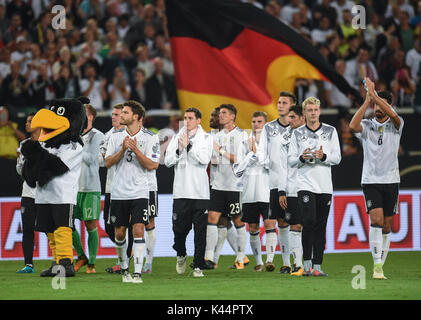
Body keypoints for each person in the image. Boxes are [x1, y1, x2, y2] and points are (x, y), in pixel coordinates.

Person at [349, 77, 404, 280]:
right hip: (371, 180)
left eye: (380, 104)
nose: (377, 108)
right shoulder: (367, 124)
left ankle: (382, 261)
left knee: (387, 225)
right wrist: (367, 100)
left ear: (388, 105)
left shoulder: (397, 124)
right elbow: (352, 127)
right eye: (375, 104)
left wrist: (375, 95)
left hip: (391, 180)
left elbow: (393, 115)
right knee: (377, 220)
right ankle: (377, 266)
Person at [105, 100, 159, 284]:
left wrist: (136, 150)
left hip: (140, 191)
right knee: (119, 233)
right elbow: (107, 162)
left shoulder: (151, 137)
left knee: (138, 229)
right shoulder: (115, 137)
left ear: (136, 116)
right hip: (119, 192)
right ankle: (124, 268)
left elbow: (152, 165)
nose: (121, 116)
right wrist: (122, 149)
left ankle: (137, 273)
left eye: (125, 113)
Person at [288, 97, 341, 277]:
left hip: (325, 186)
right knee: (308, 221)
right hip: (305, 184)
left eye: (315, 110)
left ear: (319, 111)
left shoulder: (330, 131)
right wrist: (302, 158)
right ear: (304, 113)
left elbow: (337, 158)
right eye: (309, 110)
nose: (312, 113)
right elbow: (291, 160)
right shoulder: (296, 133)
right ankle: (307, 263)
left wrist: (324, 156)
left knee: (321, 225)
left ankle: (317, 266)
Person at [164, 107, 213, 277]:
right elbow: (168, 161)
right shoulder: (177, 137)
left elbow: (204, 160)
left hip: (200, 193)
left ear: (199, 120)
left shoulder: (206, 138)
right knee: (179, 231)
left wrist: (189, 146)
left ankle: (198, 266)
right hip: (181, 192)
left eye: (191, 118)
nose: (187, 121)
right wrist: (178, 149)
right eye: (185, 118)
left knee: (200, 232)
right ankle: (181, 254)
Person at [203, 104, 249, 270]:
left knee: (237, 220)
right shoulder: (216, 136)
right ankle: (208, 257)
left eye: (224, 113)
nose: (220, 116)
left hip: (235, 185)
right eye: (220, 113)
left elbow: (240, 159)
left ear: (232, 117)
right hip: (218, 185)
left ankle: (241, 257)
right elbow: (213, 159)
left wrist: (221, 151)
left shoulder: (242, 135)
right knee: (212, 219)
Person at [259, 91, 297, 273]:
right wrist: (272, 165)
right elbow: (261, 154)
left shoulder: (298, 129)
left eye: (284, 102)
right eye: (279, 102)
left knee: (297, 223)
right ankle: (286, 263)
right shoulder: (268, 128)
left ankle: (300, 261)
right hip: (275, 182)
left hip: (296, 183)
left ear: (292, 106)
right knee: (281, 222)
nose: (280, 105)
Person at [233, 111, 270, 272]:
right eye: (254, 121)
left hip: (267, 190)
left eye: (260, 121)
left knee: (270, 224)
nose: (256, 124)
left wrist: (257, 155)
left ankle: (269, 260)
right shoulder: (243, 143)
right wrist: (251, 155)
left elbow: (271, 165)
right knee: (253, 227)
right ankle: (259, 262)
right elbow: (237, 170)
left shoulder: (271, 143)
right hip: (248, 192)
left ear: (266, 123)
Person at [72, 104, 105, 274]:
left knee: (90, 224)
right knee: (67, 223)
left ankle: (91, 263)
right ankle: (81, 256)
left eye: (84, 113)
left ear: (91, 117)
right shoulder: (73, 135)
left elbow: (95, 160)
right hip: (72, 187)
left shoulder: (97, 136)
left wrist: (77, 149)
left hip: (90, 186)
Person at [101, 104, 132, 274]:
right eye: (112, 114)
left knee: (126, 225)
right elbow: (103, 161)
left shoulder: (131, 134)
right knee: (109, 226)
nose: (113, 117)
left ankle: (124, 261)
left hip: (127, 189)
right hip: (110, 187)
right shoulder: (107, 136)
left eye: (117, 114)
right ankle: (126, 254)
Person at [278, 105, 306, 276]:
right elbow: (283, 167)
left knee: (310, 226)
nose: (289, 120)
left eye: (293, 117)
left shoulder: (314, 135)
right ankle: (298, 264)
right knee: (294, 225)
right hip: (293, 188)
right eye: (289, 117)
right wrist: (282, 190)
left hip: (312, 188)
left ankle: (311, 263)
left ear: (303, 118)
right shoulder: (285, 139)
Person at [15, 113, 40, 273]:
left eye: (30, 121)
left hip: (47, 194)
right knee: (28, 229)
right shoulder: (23, 144)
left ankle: (61, 260)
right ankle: (29, 264)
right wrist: (23, 165)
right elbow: (19, 169)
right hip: (28, 193)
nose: (26, 124)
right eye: (26, 121)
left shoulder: (49, 144)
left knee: (53, 229)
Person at [143, 127, 160, 274]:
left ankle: (148, 263)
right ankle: (125, 262)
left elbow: (153, 164)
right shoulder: (120, 136)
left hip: (148, 187)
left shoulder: (151, 137)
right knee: (128, 225)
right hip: (127, 188)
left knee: (149, 223)